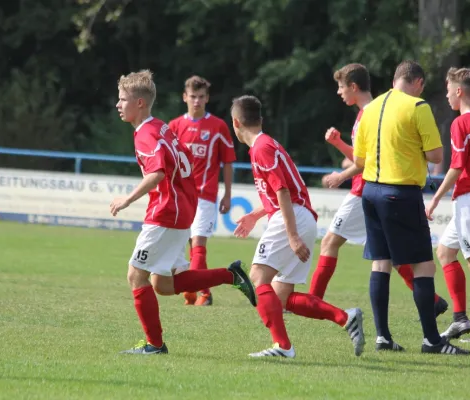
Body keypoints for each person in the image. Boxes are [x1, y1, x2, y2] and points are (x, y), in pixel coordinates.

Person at [110, 70, 256, 354]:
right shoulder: (163, 127)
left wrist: (127, 199)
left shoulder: (146, 134)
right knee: (163, 284)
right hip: (182, 208)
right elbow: (183, 163)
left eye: (123, 99)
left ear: (140, 103)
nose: (118, 104)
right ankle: (231, 276)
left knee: (135, 275)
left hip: (167, 212)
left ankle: (154, 344)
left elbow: (158, 172)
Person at [313, 64, 448, 325]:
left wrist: (341, 168)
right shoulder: (372, 111)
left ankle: (313, 301)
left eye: (341, 87)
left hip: (367, 189)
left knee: (332, 243)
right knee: (390, 256)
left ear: (353, 86)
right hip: (381, 190)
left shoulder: (371, 113)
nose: (339, 93)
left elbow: (366, 161)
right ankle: (433, 302)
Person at [231, 95, 365, 358]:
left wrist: (291, 236)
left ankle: (283, 347)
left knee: (258, 277)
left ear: (235, 122)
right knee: (281, 297)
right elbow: (280, 190)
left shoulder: (261, 148)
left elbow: (282, 191)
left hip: (291, 218)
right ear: (260, 119)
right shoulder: (268, 145)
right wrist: (256, 215)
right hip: (299, 216)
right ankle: (345, 317)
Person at [353, 60, 470, 355]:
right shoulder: (418, 107)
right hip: (400, 193)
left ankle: (383, 336)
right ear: (417, 82)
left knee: (381, 262)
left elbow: (360, 158)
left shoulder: (370, 109)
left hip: (370, 191)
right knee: (424, 265)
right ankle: (432, 340)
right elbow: (434, 154)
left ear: (395, 79)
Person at [426, 67, 470, 344]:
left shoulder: (460, 124)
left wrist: (435, 198)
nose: (447, 95)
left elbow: (458, 166)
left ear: (459, 91)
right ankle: (460, 319)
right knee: (446, 252)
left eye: (449, 90)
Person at [169, 76, 236, 306]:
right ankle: (194, 292)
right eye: (192, 96)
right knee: (180, 246)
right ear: (185, 97)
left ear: (207, 98)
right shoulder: (175, 126)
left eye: (201, 97)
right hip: (179, 196)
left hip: (205, 196)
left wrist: (227, 194)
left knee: (198, 245)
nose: (196, 101)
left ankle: (202, 294)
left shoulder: (218, 127)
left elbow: (228, 162)